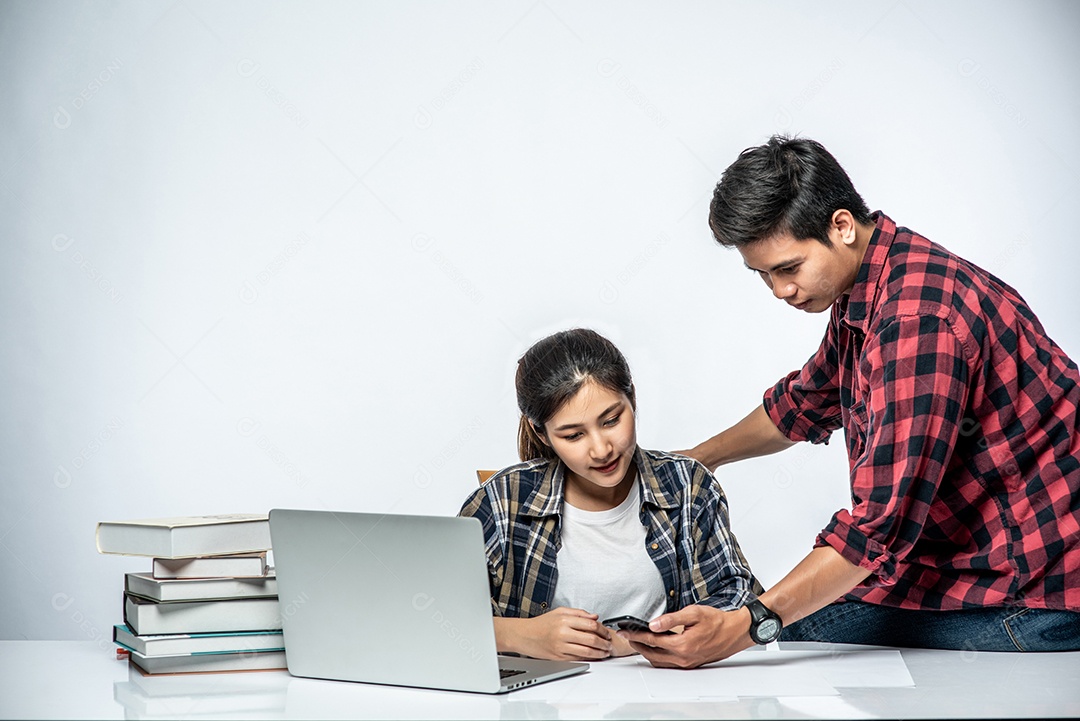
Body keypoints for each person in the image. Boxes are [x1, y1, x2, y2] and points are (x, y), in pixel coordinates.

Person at [621, 135, 1080, 668]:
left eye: (788, 268)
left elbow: (876, 531)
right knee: (784, 619)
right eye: (763, 275)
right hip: (986, 564)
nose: (779, 291)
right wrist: (696, 461)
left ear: (841, 226)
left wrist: (744, 627)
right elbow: (804, 402)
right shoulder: (876, 278)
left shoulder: (915, 321)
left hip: (1039, 593)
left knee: (785, 634)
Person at [458, 328, 762, 661]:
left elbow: (738, 598)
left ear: (632, 398)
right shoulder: (502, 500)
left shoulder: (688, 486)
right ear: (542, 434)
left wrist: (635, 640)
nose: (601, 450)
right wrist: (522, 636)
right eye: (573, 436)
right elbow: (435, 614)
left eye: (612, 420)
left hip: (666, 687)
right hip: (545, 692)